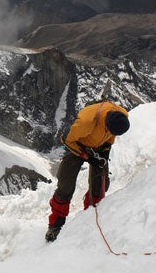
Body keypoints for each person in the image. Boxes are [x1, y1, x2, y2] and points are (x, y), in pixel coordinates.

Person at [45, 100, 130, 242]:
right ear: (106, 124)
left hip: (99, 146)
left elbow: (110, 138)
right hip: (77, 145)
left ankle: (89, 219)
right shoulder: (86, 121)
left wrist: (104, 153)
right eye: (110, 130)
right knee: (65, 186)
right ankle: (55, 225)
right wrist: (86, 156)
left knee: (100, 185)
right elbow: (66, 139)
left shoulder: (121, 117)